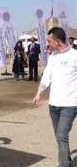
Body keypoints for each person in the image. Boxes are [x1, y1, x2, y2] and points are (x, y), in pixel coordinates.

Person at [32, 27, 77, 167]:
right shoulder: (53, 56)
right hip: (54, 105)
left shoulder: (75, 55)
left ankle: (63, 165)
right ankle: (67, 160)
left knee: (62, 135)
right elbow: (47, 76)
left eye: (49, 40)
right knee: (59, 136)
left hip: (70, 104)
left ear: (57, 41)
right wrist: (38, 93)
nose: (47, 43)